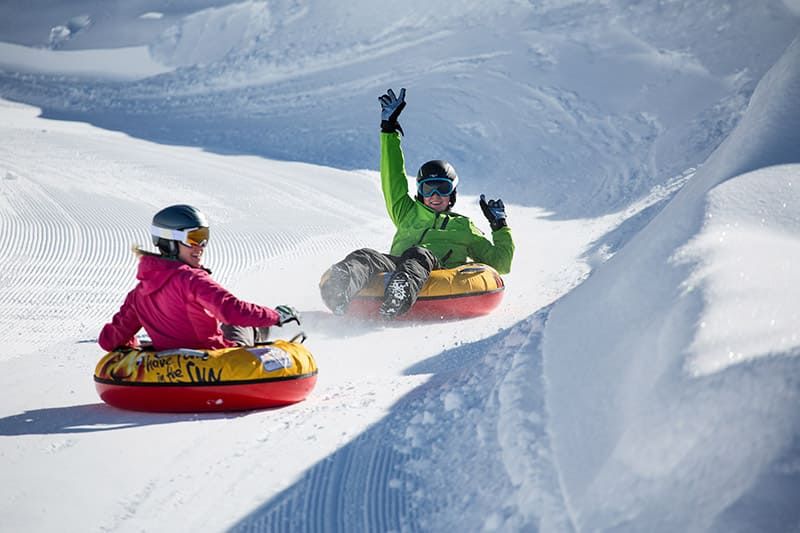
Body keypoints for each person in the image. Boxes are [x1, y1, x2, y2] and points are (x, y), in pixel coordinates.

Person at [319, 88, 514, 319]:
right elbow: (393, 178)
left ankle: (399, 297)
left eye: (442, 188)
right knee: (366, 255)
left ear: (452, 194)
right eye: (427, 189)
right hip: (397, 266)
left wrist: (499, 226)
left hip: (437, 270)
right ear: (420, 192)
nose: (435, 195)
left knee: (420, 253)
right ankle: (340, 293)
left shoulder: (464, 226)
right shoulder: (407, 212)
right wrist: (389, 130)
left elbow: (501, 263)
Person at [98, 204, 300, 352]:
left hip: (169, 370)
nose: (201, 246)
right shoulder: (191, 279)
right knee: (238, 322)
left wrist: (137, 348)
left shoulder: (139, 293)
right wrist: (275, 316)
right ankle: (263, 344)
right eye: (193, 238)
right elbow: (230, 310)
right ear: (170, 240)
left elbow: (109, 341)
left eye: (204, 237)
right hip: (215, 363)